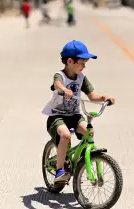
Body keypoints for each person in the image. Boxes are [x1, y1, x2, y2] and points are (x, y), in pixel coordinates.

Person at [42, 40, 115, 183]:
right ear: (70, 61)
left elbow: (92, 96)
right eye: (82, 63)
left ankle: (80, 160)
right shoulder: (60, 76)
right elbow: (57, 85)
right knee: (65, 135)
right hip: (57, 116)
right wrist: (64, 90)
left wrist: (104, 98)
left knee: (89, 132)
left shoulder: (81, 78)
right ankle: (59, 170)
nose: (84, 66)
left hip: (74, 115)